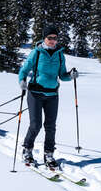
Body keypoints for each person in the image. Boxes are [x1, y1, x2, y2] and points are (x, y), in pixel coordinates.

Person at [16, 27, 78, 169]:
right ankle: (27, 150)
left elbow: (62, 75)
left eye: (55, 38)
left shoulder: (60, 55)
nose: (52, 41)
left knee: (50, 127)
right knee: (35, 125)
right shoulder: (36, 53)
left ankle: (49, 154)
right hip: (35, 93)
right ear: (44, 38)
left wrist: (71, 76)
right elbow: (24, 70)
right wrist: (22, 80)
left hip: (52, 95)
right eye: (49, 37)